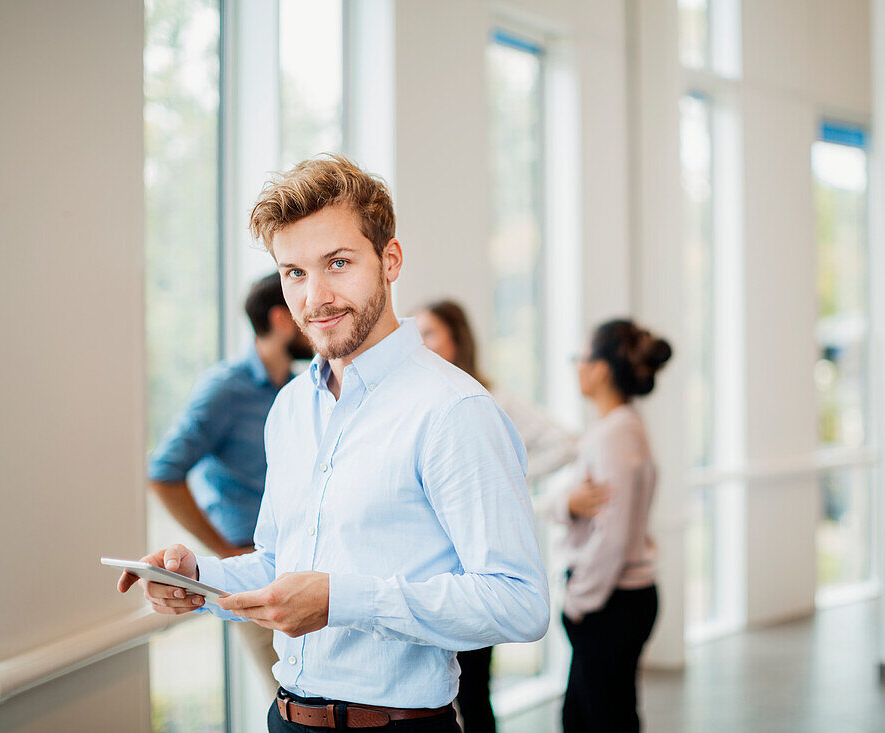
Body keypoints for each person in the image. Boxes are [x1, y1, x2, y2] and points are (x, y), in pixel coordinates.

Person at [120, 155, 550, 733]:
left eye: (338, 263)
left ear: (389, 260)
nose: (315, 297)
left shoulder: (454, 411)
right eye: (293, 272)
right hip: (287, 718)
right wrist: (197, 580)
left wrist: (341, 601)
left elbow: (519, 603)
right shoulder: (293, 407)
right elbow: (279, 564)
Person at [416, 299, 578, 733]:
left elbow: (564, 442)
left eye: (429, 332)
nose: (419, 342)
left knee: (473, 692)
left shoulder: (487, 397)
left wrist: (507, 480)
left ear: (457, 339)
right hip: (429, 575)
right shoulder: (415, 403)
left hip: (476, 570)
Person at [147, 272, 312, 696]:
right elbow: (163, 473)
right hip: (252, 569)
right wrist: (224, 549)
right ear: (280, 319)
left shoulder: (299, 387)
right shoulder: (224, 389)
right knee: (296, 702)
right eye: (302, 306)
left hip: (301, 564)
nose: (314, 317)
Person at [549, 319, 672, 733]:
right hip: (616, 600)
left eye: (579, 358)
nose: (576, 367)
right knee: (589, 715)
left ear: (600, 369)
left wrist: (578, 602)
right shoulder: (620, 427)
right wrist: (566, 502)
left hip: (611, 602)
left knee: (600, 719)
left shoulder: (615, 434)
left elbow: (614, 536)